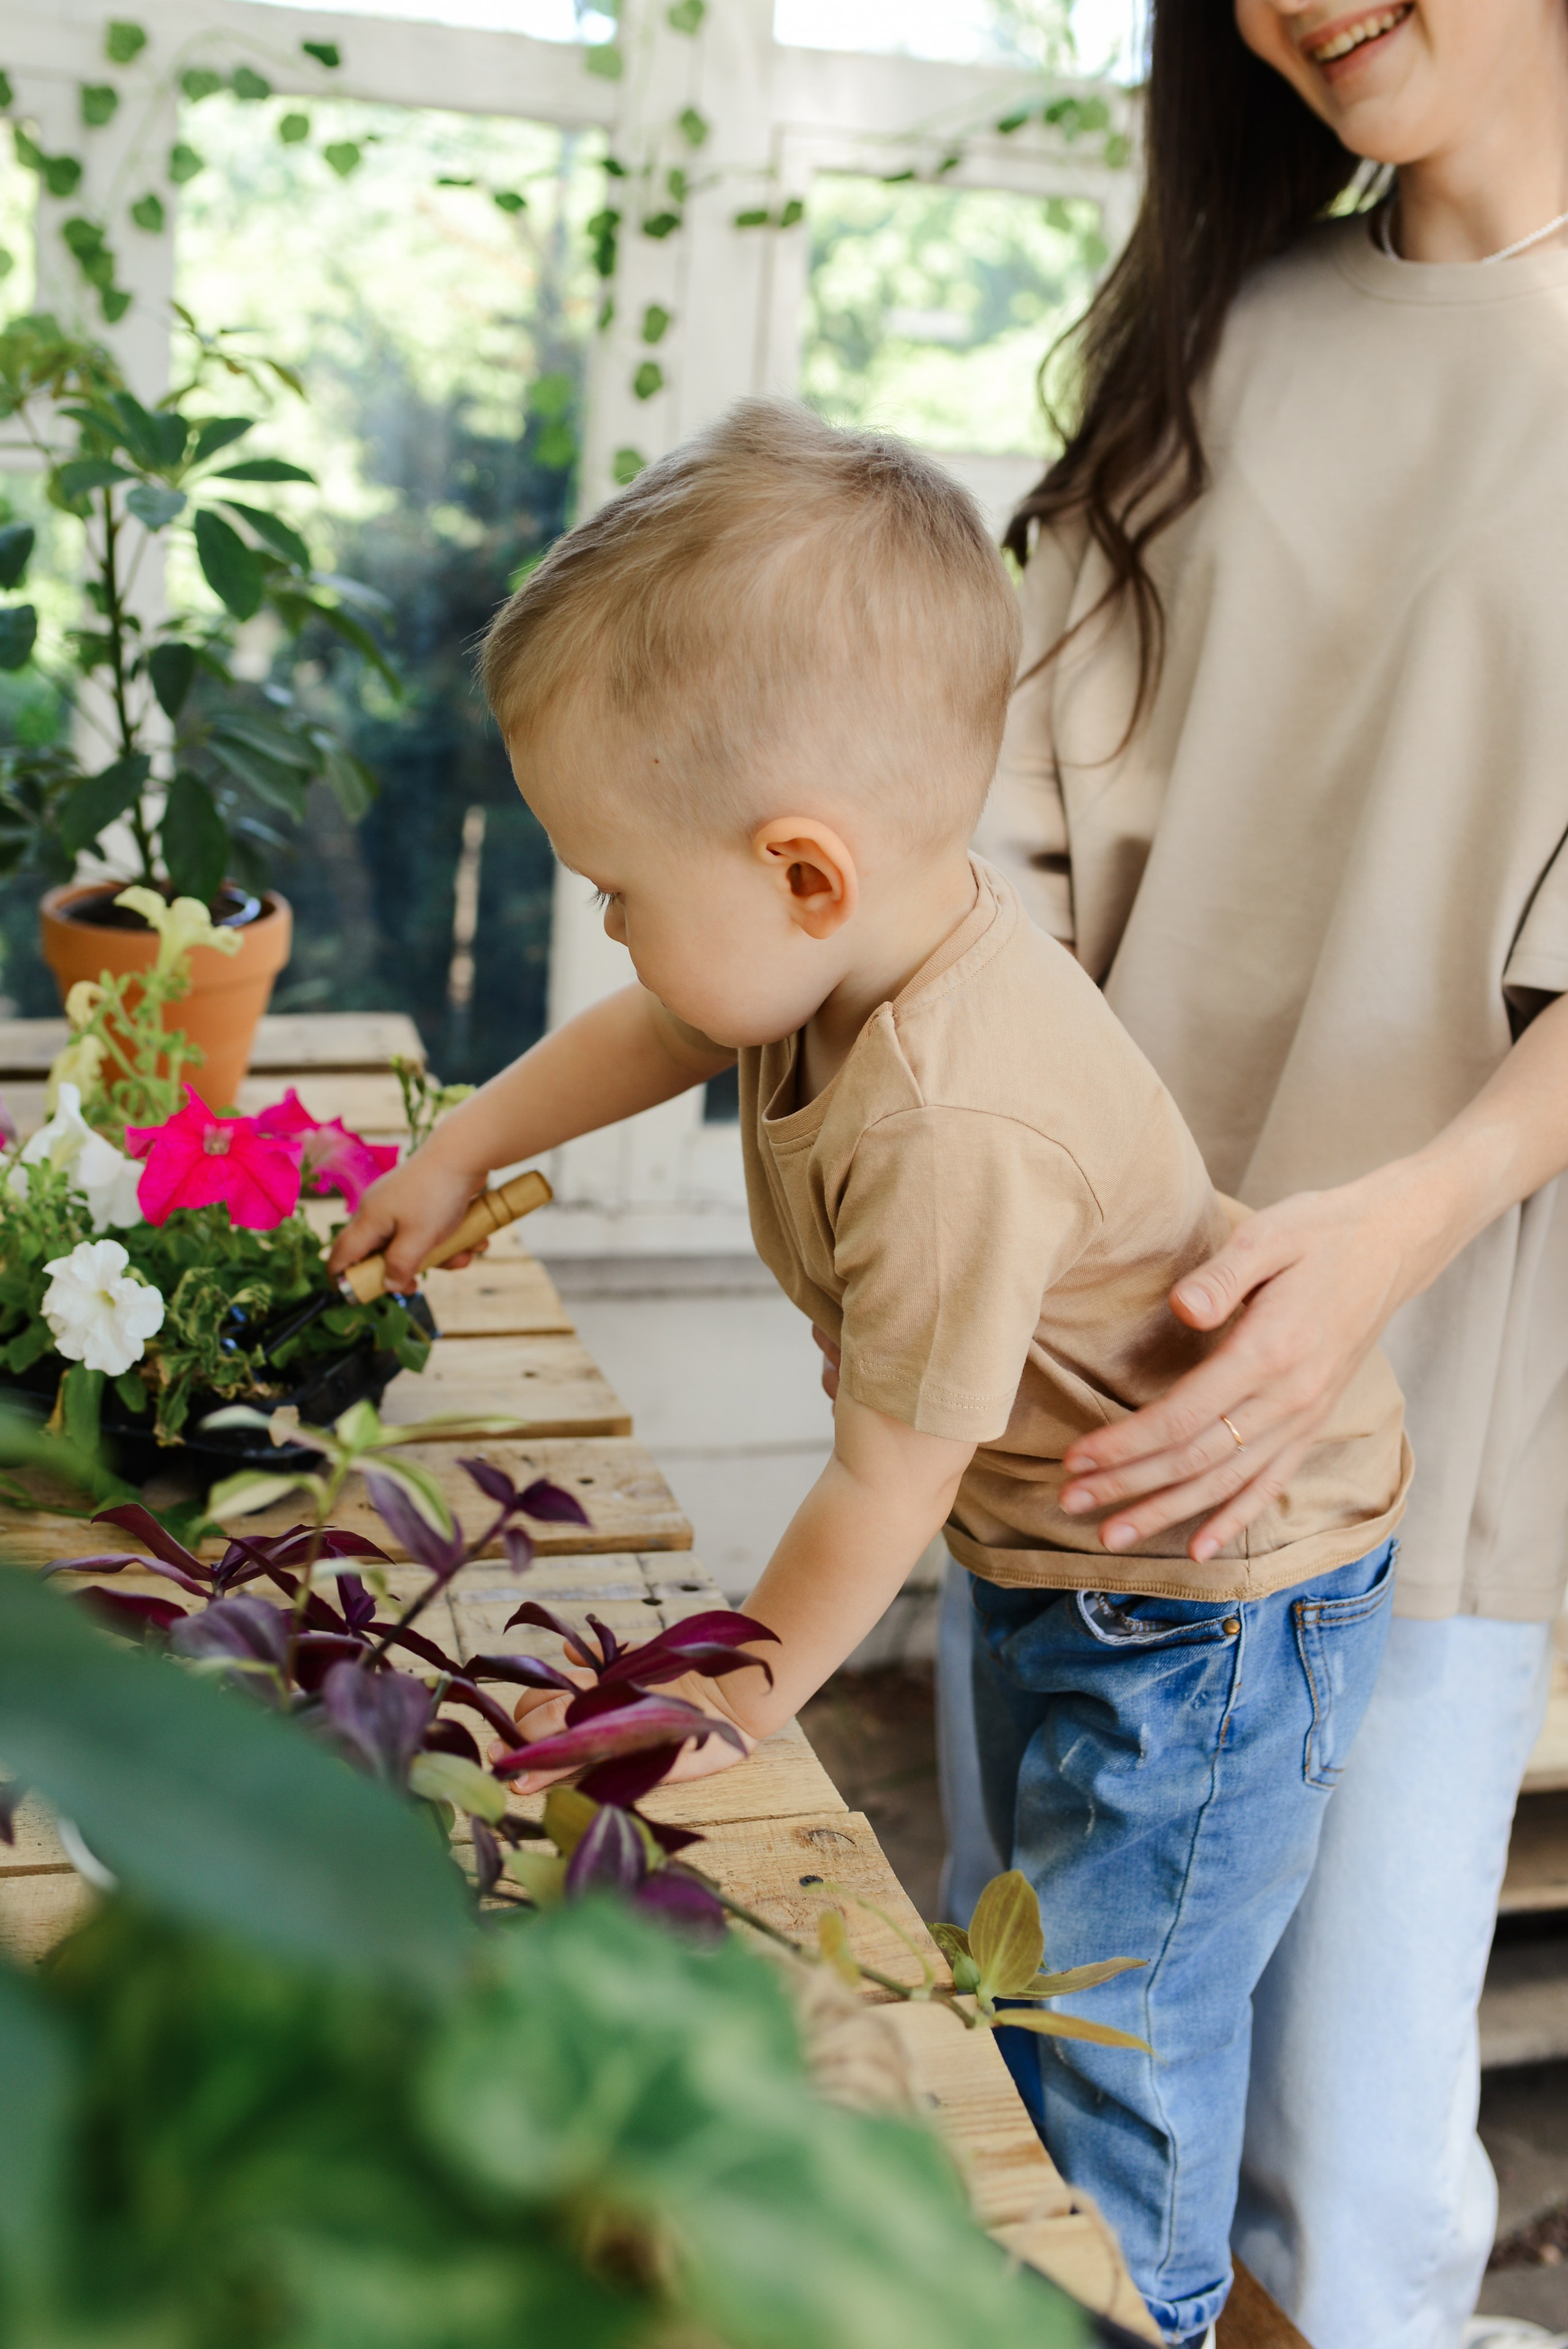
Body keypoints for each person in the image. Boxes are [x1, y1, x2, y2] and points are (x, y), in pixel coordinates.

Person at [331, 399, 1408, 2346]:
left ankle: (1131, 2311)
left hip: (1217, 1606)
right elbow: (669, 1022)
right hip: (1071, 1540)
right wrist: (464, 1147)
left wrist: (722, 1695)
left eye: (617, 883)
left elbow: (881, 1484)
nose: (613, 927)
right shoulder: (831, 947)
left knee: (1117, 2024)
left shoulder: (947, 1114)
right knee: (1015, 1945)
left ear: (803, 871)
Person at [957, 3, 1568, 2344]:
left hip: (1414, 1405)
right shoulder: (1227, 330)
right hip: (1078, 1393)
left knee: (1337, 2169)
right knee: (1057, 2107)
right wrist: (1017, 1227)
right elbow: (989, 827)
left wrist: (1379, 1235)